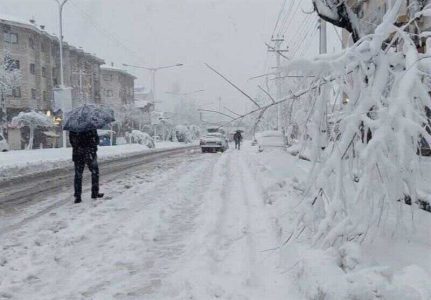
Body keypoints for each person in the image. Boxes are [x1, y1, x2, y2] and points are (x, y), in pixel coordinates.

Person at [69, 129, 104, 204]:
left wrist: (79, 146)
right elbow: (96, 141)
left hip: (78, 154)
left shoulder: (74, 128)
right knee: (95, 173)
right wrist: (91, 144)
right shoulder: (91, 127)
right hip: (90, 153)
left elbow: (72, 142)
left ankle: (77, 196)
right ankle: (95, 193)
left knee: (78, 175)